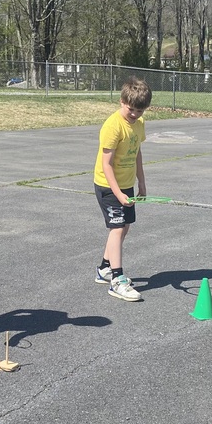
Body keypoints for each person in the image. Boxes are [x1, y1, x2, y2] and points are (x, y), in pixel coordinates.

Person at [93, 77, 152, 302]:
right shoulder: (112, 126)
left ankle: (104, 269)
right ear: (121, 101)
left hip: (126, 184)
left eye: (140, 110)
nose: (135, 114)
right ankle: (117, 280)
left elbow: (136, 152)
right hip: (108, 186)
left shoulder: (139, 124)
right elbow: (105, 165)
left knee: (124, 228)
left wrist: (142, 183)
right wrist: (118, 194)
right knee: (116, 229)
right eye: (131, 109)